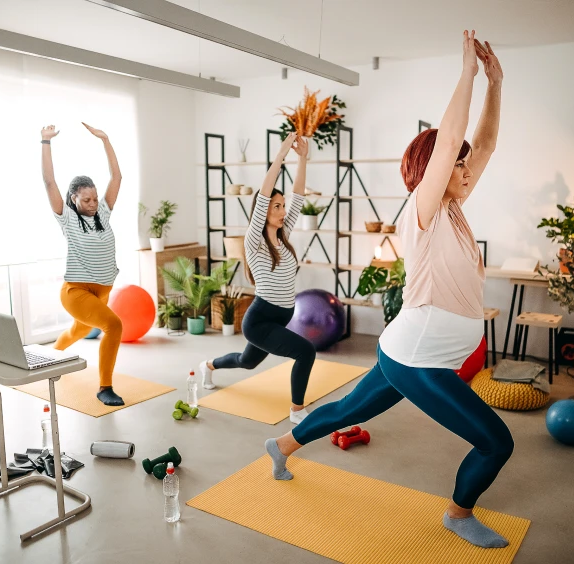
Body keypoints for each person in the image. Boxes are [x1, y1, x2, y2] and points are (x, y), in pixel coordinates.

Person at [264, 32, 513, 548]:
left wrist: (497, 81)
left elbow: (482, 144)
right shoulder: (423, 212)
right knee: (496, 442)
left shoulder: (455, 212)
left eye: (466, 164)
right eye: (458, 164)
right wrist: (466, 71)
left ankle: (281, 445)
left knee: (349, 409)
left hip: (413, 349)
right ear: (434, 171)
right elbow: (450, 142)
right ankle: (458, 513)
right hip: (419, 357)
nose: (468, 169)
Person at [199, 132, 317, 424]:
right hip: (261, 320)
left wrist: (302, 158)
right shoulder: (255, 239)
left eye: (281, 206)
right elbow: (264, 194)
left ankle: (209, 366)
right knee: (305, 352)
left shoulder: (284, 234)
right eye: (276, 206)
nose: (282, 210)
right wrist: (281, 156)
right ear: (263, 212)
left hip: (279, 318)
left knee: (246, 361)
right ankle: (296, 411)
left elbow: (298, 196)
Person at [40, 122, 125, 406]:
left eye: (94, 198)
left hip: (101, 290)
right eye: (85, 199)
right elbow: (49, 182)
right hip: (75, 291)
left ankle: (51, 357)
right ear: (73, 198)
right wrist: (46, 142)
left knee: (78, 330)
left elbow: (117, 176)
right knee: (113, 325)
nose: (92, 203)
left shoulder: (103, 211)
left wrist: (106, 139)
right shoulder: (67, 217)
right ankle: (105, 387)